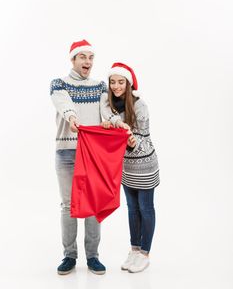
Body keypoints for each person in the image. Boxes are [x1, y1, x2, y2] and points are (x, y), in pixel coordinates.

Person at [50, 39, 107, 275]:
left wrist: (115, 122)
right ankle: (69, 256)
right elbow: (64, 105)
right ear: (73, 60)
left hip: (92, 153)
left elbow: (106, 112)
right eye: (82, 57)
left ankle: (93, 257)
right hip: (66, 152)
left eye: (90, 57)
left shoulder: (100, 86)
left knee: (93, 206)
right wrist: (73, 118)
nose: (88, 62)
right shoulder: (59, 83)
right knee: (68, 206)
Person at [101, 62, 160, 273]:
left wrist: (132, 142)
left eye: (121, 82)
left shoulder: (139, 105)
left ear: (129, 83)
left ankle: (144, 254)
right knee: (132, 210)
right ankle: (134, 250)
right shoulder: (109, 105)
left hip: (144, 165)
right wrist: (111, 124)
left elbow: (144, 138)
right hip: (126, 167)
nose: (116, 86)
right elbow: (107, 119)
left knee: (145, 208)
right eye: (112, 81)